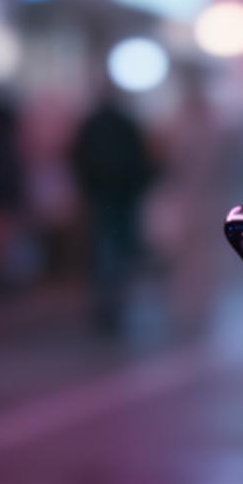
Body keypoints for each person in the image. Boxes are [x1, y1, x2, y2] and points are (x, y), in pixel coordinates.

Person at [68, 91, 156, 337]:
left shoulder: (92, 124)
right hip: (122, 198)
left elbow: (77, 156)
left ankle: (105, 303)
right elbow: (142, 161)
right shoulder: (127, 124)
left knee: (102, 250)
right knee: (119, 250)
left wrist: (86, 188)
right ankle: (114, 302)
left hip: (102, 197)